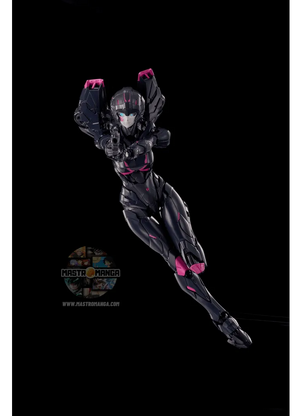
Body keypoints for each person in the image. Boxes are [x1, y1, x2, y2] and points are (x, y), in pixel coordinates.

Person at [74, 69, 252, 348]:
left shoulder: (147, 128)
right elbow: (96, 132)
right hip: (134, 208)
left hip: (161, 193)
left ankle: (222, 315)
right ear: (115, 116)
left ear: (140, 113)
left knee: (195, 259)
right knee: (179, 265)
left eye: (132, 114)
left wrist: (146, 142)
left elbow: (164, 135)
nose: (127, 120)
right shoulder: (108, 137)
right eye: (122, 115)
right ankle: (224, 321)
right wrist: (113, 146)